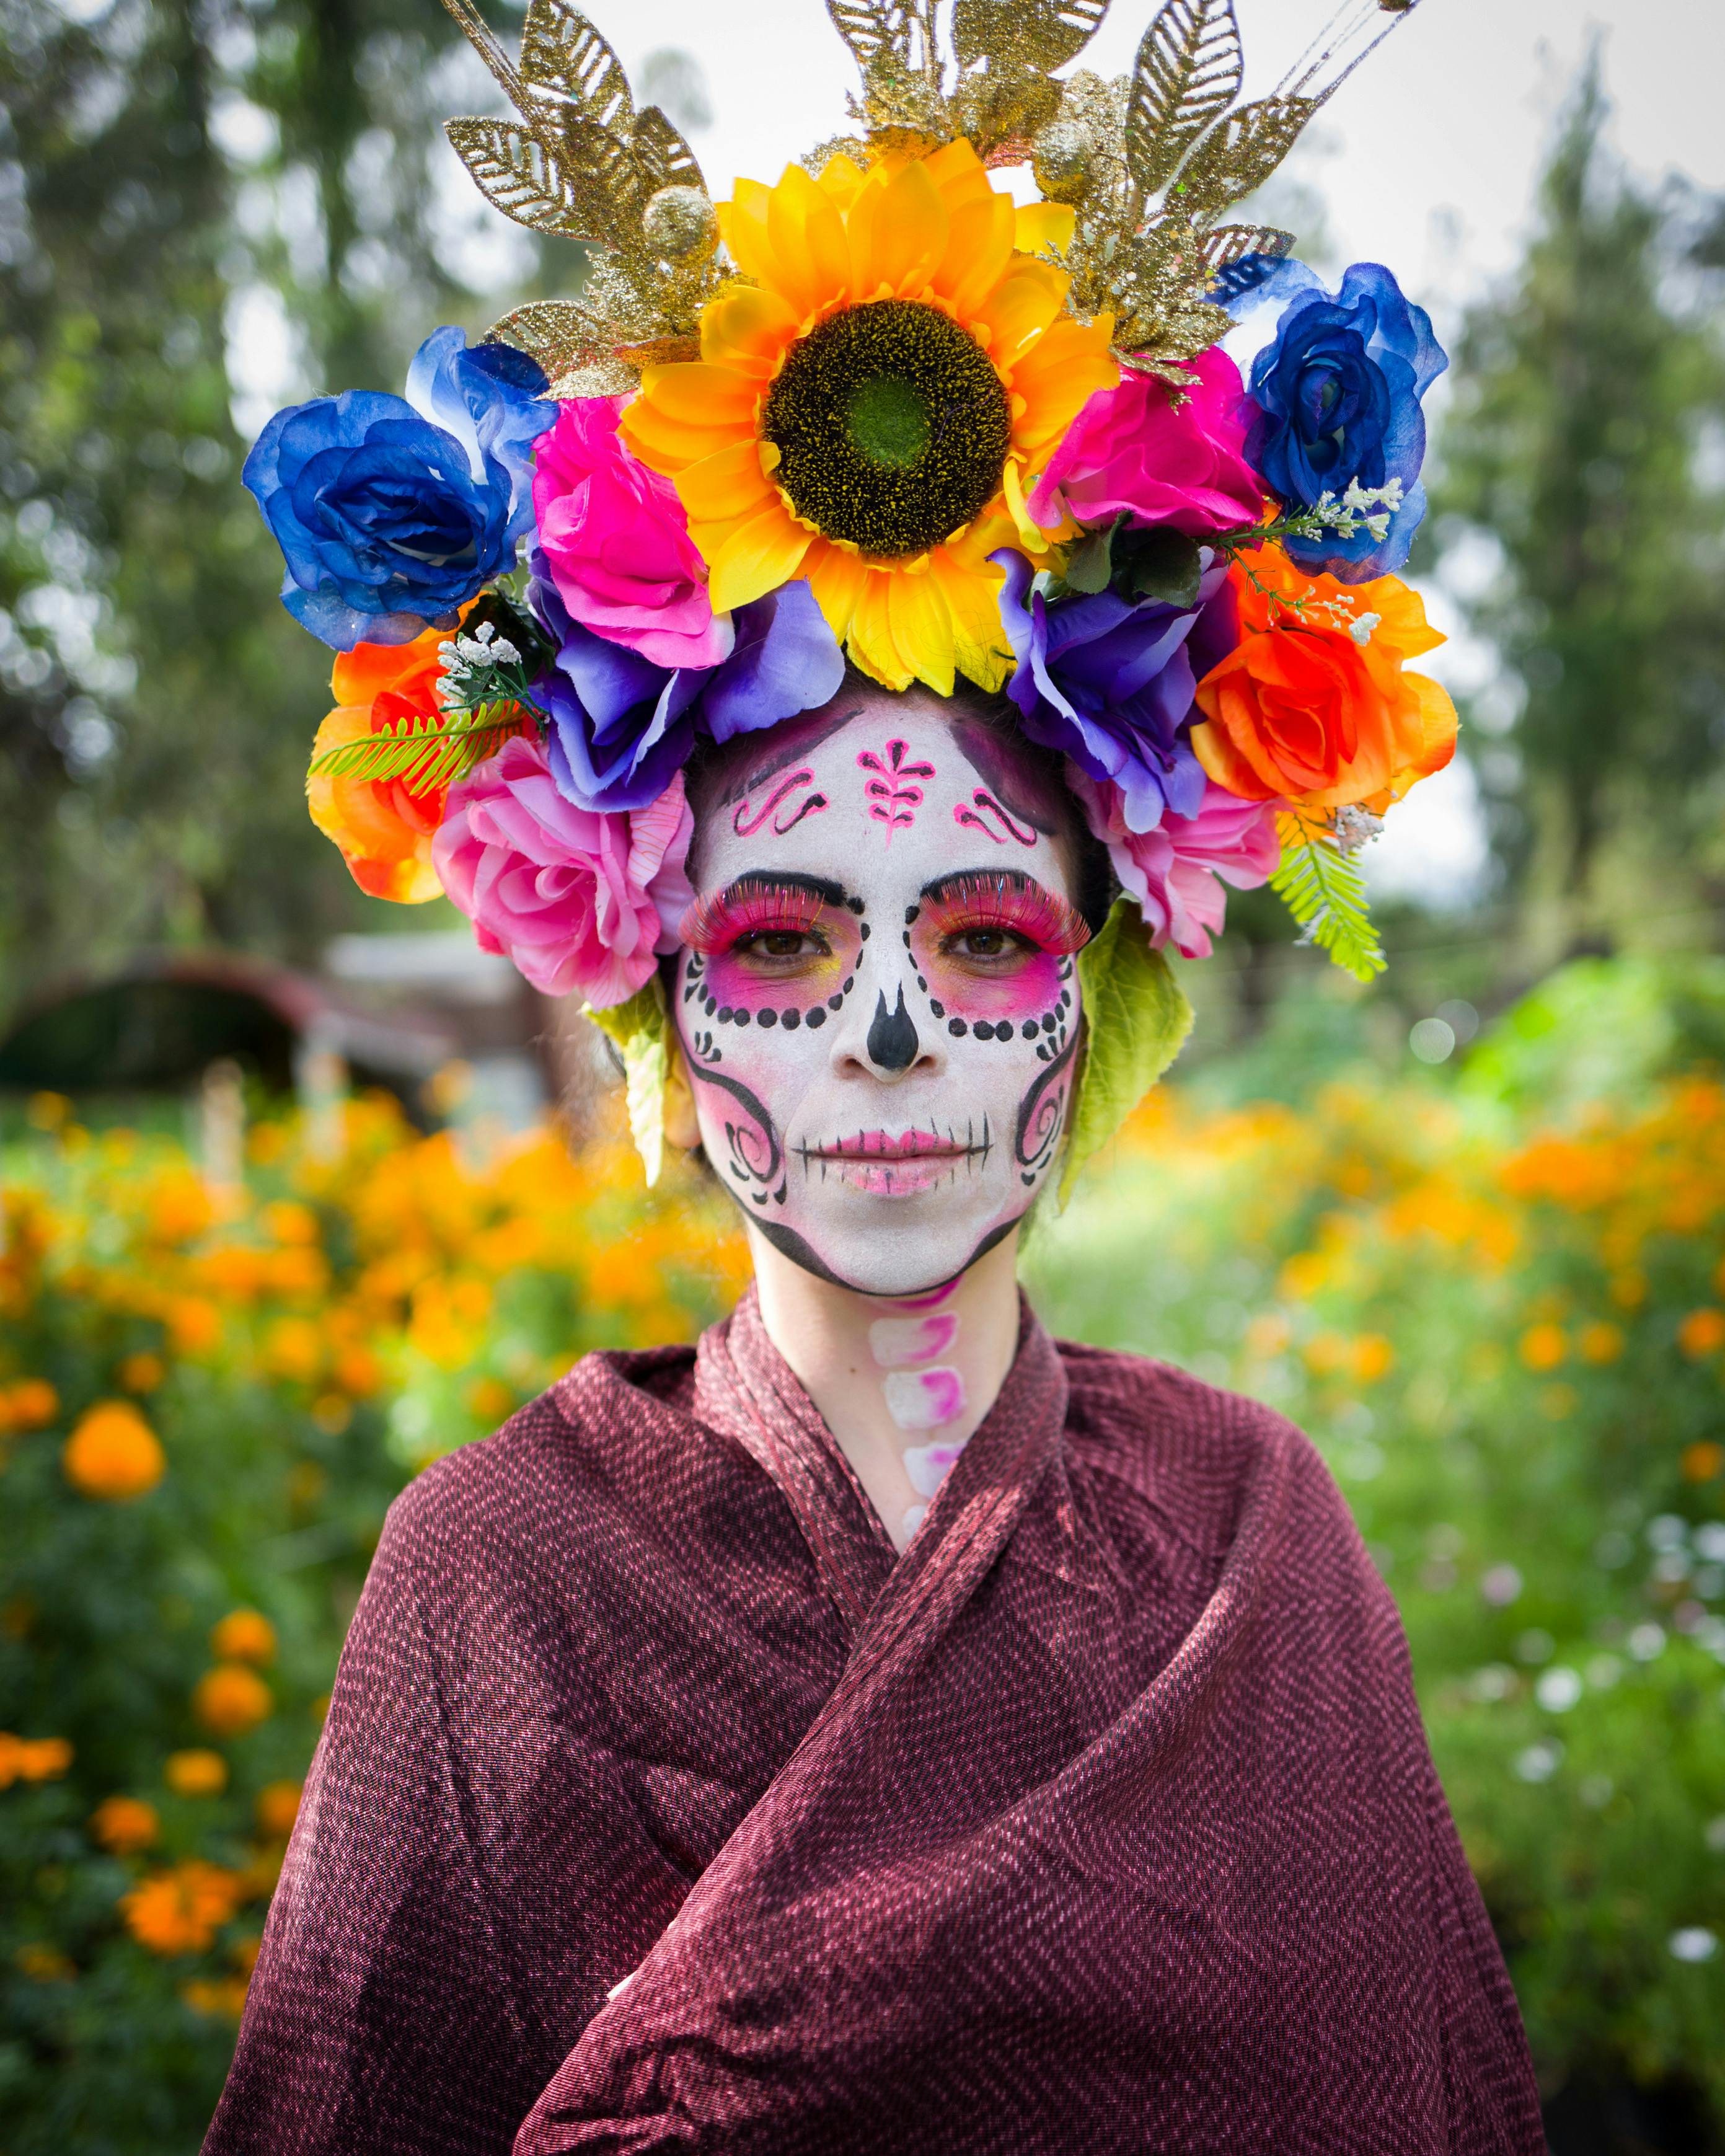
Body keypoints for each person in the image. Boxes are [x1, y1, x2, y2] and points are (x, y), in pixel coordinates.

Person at [209, 1, 1545, 2147]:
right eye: (785, 939)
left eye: (989, 934)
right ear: (652, 981)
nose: (895, 1029)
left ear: (1103, 983)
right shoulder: (495, 1575)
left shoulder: (1251, 1542)